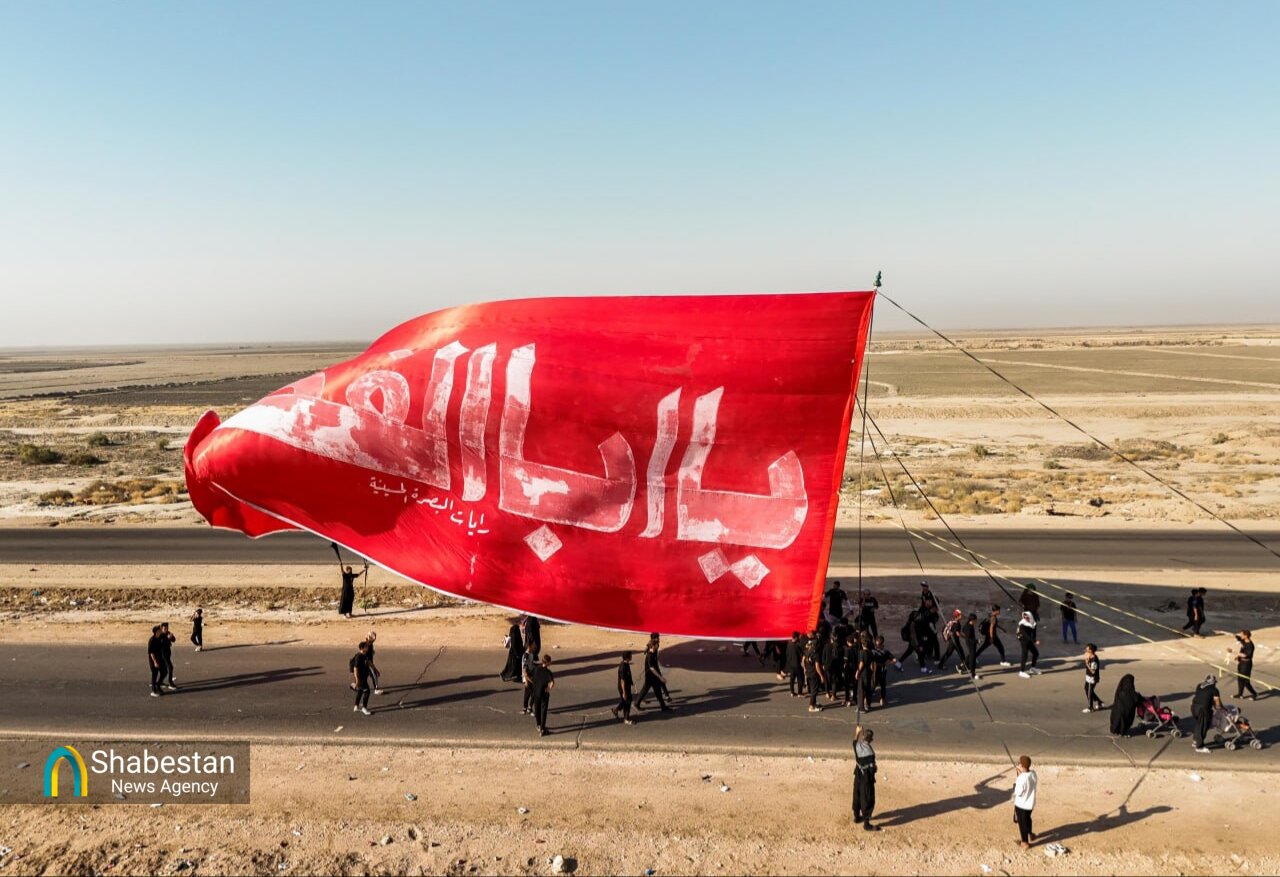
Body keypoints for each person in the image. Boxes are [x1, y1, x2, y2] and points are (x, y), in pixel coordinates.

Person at [852, 724, 880, 831]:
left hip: (858, 775)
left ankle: (856, 816)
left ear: (863, 737)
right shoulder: (871, 752)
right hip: (866, 778)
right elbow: (873, 768)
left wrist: (857, 732)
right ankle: (866, 824)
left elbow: (854, 742)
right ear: (871, 740)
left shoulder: (858, 747)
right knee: (867, 798)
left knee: (857, 795)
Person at [634, 640, 670, 712]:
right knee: (656, 691)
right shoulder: (650, 655)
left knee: (647, 690)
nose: (658, 645)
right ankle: (663, 707)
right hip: (651, 676)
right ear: (653, 646)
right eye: (657, 644)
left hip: (653, 675)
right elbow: (652, 668)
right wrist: (660, 677)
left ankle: (637, 703)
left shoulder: (655, 651)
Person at [1191, 675, 1222, 753]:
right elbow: (1217, 704)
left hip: (1194, 707)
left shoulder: (1199, 685)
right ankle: (1199, 747)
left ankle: (1195, 741)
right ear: (1213, 683)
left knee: (1199, 725)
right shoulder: (1214, 690)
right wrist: (1220, 709)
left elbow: (1203, 696)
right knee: (1203, 727)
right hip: (1203, 709)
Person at [1012, 755, 1038, 849]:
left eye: (1019, 763)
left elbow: (1018, 792)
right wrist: (1021, 774)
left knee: (1022, 823)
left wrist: (1018, 778)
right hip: (1030, 804)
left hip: (1021, 805)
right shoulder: (1034, 774)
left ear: (1022, 766)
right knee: (1028, 819)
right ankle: (1030, 833)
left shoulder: (1021, 779)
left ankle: (1025, 842)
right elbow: (1027, 779)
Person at [531, 654, 555, 736]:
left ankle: (538, 725)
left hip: (535, 693)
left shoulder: (536, 669)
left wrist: (535, 685)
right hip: (544, 694)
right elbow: (552, 683)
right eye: (550, 662)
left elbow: (530, 676)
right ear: (547, 662)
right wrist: (548, 689)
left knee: (537, 709)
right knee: (543, 711)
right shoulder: (548, 672)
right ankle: (542, 729)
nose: (550, 663)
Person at [349, 640, 373, 716]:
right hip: (361, 677)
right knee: (367, 691)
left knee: (360, 690)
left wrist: (376, 670)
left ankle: (356, 706)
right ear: (362, 648)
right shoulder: (359, 657)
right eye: (366, 646)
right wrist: (357, 680)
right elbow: (355, 669)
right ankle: (364, 708)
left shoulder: (365, 655)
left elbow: (369, 662)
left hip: (364, 677)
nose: (367, 647)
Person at [803, 630, 825, 713]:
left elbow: (803, 660)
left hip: (808, 673)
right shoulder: (816, 654)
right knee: (814, 691)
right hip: (814, 674)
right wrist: (821, 676)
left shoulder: (807, 651)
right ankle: (811, 706)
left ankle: (814, 703)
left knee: (812, 689)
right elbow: (817, 666)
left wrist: (805, 669)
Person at [1233, 630, 1258, 699]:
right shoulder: (1243, 641)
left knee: (1246, 681)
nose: (1241, 636)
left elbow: (1245, 655)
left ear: (1246, 636)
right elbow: (1236, 637)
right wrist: (1222, 632)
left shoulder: (1250, 645)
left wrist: (1233, 652)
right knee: (1240, 679)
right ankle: (1240, 694)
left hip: (1246, 664)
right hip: (1241, 663)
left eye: (1242, 635)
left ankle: (1254, 693)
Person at [612, 651, 635, 724]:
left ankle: (616, 710)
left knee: (625, 700)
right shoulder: (623, 667)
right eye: (631, 656)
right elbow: (622, 681)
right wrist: (624, 692)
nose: (632, 657)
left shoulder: (626, 663)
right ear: (627, 657)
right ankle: (626, 719)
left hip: (627, 686)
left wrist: (631, 683)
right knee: (627, 701)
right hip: (623, 687)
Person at [1016, 612, 1041, 678]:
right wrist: (1034, 641)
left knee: (1036, 653)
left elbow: (1033, 633)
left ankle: (1032, 668)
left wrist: (1034, 639)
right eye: (1024, 617)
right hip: (1024, 640)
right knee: (1024, 656)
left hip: (1029, 640)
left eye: (1027, 617)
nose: (1025, 618)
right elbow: (1025, 635)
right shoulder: (1022, 624)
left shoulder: (1032, 623)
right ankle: (1021, 671)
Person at [500, 618, 524, 682]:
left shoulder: (513, 629)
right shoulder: (515, 631)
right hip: (516, 652)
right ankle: (504, 674)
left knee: (513, 665)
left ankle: (518, 676)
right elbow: (514, 644)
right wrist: (517, 654)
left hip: (515, 652)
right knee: (513, 666)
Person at [1083, 644, 1103, 713]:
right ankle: (1099, 702)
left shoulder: (1094, 659)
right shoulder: (1090, 656)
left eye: (1087, 648)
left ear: (1091, 650)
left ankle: (1090, 707)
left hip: (1092, 678)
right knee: (1087, 689)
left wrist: (1087, 664)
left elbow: (1093, 671)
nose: (1086, 649)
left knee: (1089, 692)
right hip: (1088, 677)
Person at [871, 635, 891, 706]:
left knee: (874, 683)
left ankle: (869, 696)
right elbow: (894, 660)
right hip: (883, 670)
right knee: (883, 685)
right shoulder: (886, 652)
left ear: (876, 642)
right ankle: (882, 699)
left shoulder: (873, 652)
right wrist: (886, 663)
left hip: (875, 671)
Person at [520, 641, 538, 715]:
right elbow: (524, 668)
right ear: (529, 646)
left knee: (528, 693)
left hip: (531, 676)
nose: (534, 646)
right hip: (528, 677)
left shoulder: (531, 654)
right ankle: (529, 708)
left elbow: (532, 664)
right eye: (533, 645)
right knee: (534, 693)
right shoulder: (526, 656)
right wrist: (526, 680)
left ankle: (525, 708)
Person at [147, 625, 166, 697]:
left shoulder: (160, 637)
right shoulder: (151, 640)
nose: (161, 630)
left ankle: (158, 685)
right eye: (159, 630)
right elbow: (151, 653)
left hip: (160, 658)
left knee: (164, 672)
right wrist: (155, 662)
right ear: (156, 632)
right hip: (153, 660)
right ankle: (153, 690)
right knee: (154, 675)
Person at [784, 631, 804, 696]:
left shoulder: (789, 644)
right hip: (797, 664)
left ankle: (792, 692)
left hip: (791, 665)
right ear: (796, 637)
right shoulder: (797, 645)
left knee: (792, 679)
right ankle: (799, 692)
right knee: (800, 679)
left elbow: (787, 654)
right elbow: (801, 655)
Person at [363, 630, 383, 695]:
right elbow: (367, 659)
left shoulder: (370, 644)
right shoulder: (367, 645)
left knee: (364, 676)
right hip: (367, 663)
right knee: (374, 675)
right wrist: (375, 668)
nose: (374, 640)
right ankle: (376, 689)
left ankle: (355, 685)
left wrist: (372, 652)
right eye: (373, 639)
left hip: (367, 663)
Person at [159, 622, 177, 690]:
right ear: (161, 628)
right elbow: (161, 644)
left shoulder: (168, 633)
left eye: (167, 628)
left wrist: (172, 637)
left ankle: (160, 682)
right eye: (164, 628)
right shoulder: (160, 635)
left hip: (168, 653)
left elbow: (174, 640)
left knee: (164, 670)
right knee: (170, 667)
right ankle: (170, 682)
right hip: (163, 654)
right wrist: (168, 638)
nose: (166, 629)